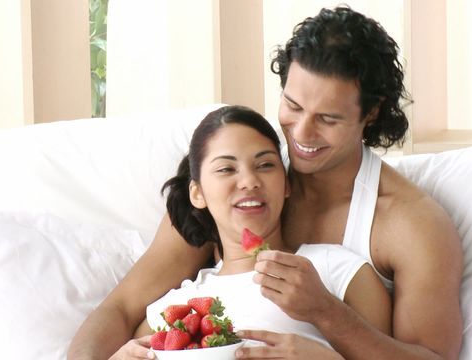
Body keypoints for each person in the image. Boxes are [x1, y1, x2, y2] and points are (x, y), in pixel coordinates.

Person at [68, 5, 462, 360]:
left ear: (371, 113)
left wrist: (324, 313)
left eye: (328, 118)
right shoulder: (234, 188)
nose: (302, 133)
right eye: (292, 106)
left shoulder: (410, 225)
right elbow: (121, 309)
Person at [122, 105, 390, 358]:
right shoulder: (174, 308)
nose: (250, 181)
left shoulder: (339, 271)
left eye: (265, 165)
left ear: (286, 185)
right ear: (198, 193)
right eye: (226, 169)